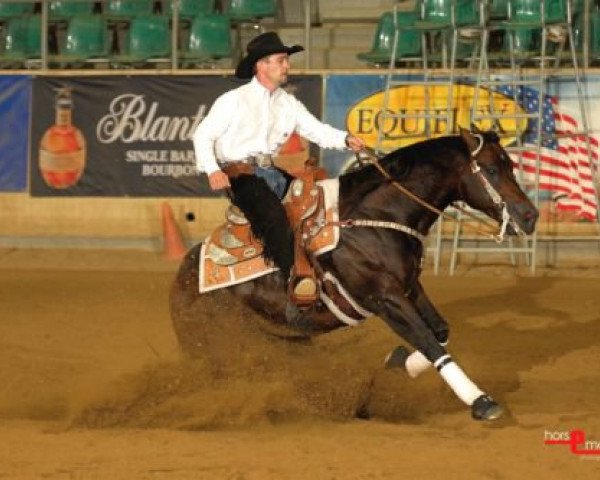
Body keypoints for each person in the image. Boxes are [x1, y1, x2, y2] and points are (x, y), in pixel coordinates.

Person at [193, 31, 364, 309]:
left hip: (270, 172)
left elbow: (316, 129)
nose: (288, 66)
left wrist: (345, 139)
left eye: (286, 61)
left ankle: (329, 269)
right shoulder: (232, 100)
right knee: (273, 216)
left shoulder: (287, 102)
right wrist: (213, 170)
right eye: (281, 60)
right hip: (241, 176)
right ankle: (295, 282)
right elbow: (203, 136)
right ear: (261, 65)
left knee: (316, 198)